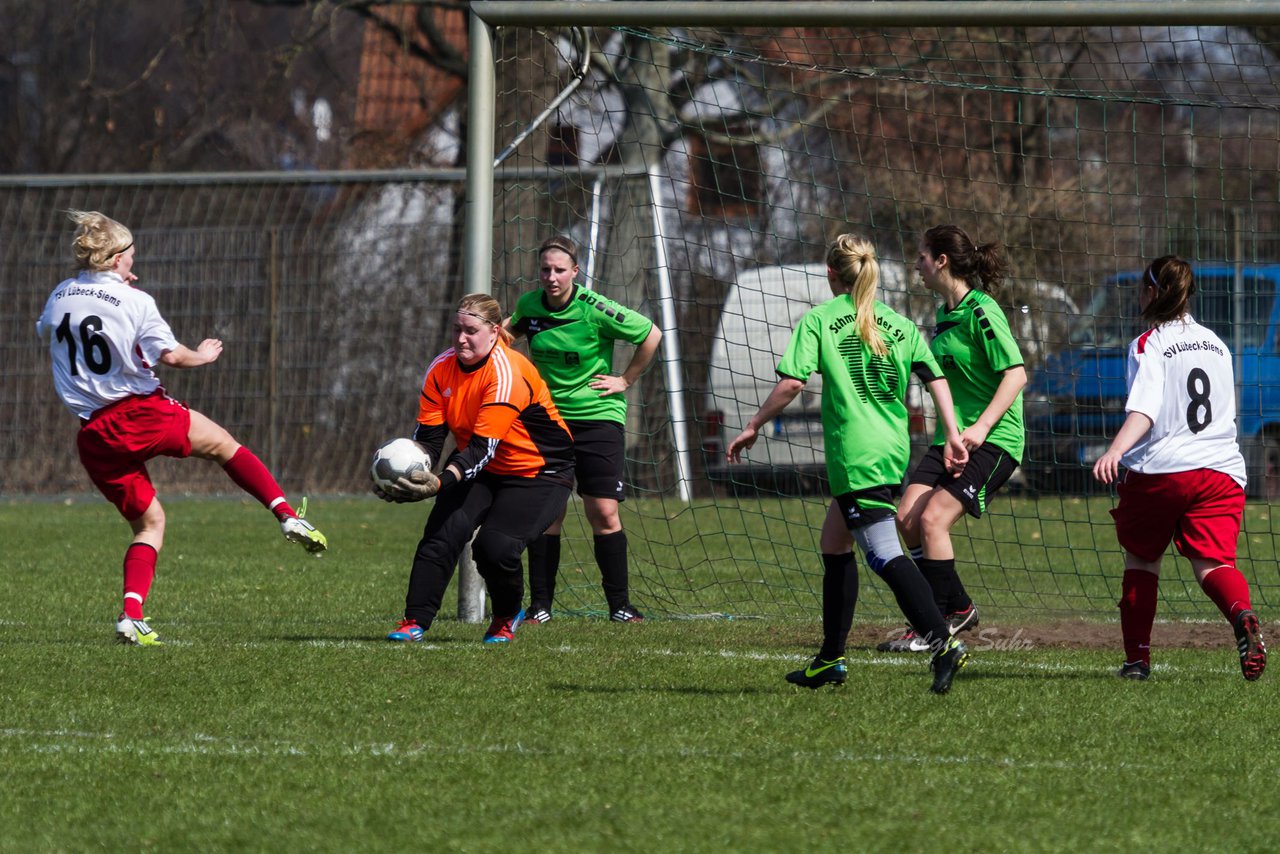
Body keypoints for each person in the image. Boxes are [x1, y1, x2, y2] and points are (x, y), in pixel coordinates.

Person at [35, 210, 328, 647]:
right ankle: (287, 516)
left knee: (149, 525)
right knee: (226, 448)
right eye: (131, 256)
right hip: (140, 412)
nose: (135, 262)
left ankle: (131, 616)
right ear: (116, 260)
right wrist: (204, 354)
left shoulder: (59, 295)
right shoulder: (137, 301)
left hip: (94, 432)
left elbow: (51, 331)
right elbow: (171, 356)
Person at [726, 234, 972, 694]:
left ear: (830, 274)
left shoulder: (819, 320)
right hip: (891, 450)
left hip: (854, 454)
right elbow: (935, 377)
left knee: (883, 553)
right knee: (834, 544)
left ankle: (943, 643)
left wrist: (754, 423)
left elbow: (792, 385)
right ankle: (830, 659)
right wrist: (953, 432)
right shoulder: (898, 323)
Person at [1093, 255, 1266, 681]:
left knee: (1142, 561)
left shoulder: (1148, 343)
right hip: (1222, 470)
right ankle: (1242, 614)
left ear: (1153, 292)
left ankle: (1137, 662)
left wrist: (1114, 450)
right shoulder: (1217, 343)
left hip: (1164, 471)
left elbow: (1145, 410)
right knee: (1213, 564)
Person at [376, 293, 576, 644]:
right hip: (485, 468)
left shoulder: (506, 372)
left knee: (494, 548)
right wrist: (404, 478)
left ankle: (505, 615)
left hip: (541, 473)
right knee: (442, 533)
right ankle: (414, 620)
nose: (460, 338)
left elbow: (482, 450)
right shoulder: (441, 368)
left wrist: (438, 483)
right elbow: (431, 440)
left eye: (470, 330)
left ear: (495, 331)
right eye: (456, 329)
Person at [882, 225, 1027, 653]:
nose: (916, 265)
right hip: (954, 439)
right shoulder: (943, 314)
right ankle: (958, 606)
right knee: (906, 520)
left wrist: (979, 429)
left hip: (995, 439)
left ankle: (937, 624)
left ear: (942, 260)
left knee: (933, 520)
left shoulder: (982, 310)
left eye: (922, 256)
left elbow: (1016, 375)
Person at [507, 235, 662, 624]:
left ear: (575, 272)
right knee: (548, 513)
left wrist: (625, 380)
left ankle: (620, 606)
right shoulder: (528, 306)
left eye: (560, 270)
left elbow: (650, 334)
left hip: (597, 418)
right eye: (545, 270)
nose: (552, 277)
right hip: (547, 421)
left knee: (603, 511)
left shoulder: (595, 307)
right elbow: (506, 337)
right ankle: (540, 607)